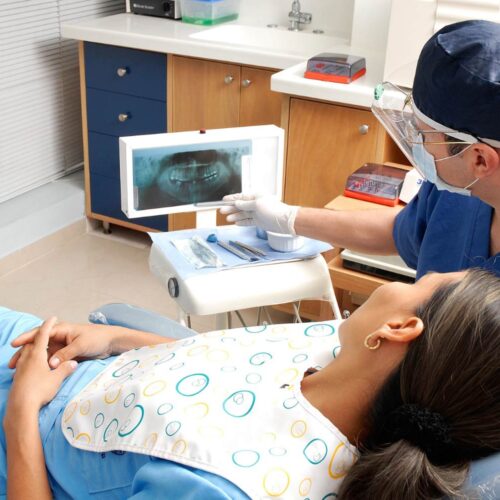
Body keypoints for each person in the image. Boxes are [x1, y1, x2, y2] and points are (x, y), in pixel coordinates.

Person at [2, 269, 500, 498]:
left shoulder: (220, 488)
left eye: (419, 282)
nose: (408, 280)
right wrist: (115, 338)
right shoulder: (351, 359)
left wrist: (21, 411)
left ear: (399, 328)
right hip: (65, 365)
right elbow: (223, 367)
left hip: (25, 442)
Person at [220, 20, 500, 279]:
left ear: (480, 160)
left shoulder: (460, 183)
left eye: (424, 136)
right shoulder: (456, 192)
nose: (417, 145)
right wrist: (289, 218)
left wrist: (396, 302)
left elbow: (451, 300)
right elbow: (399, 231)